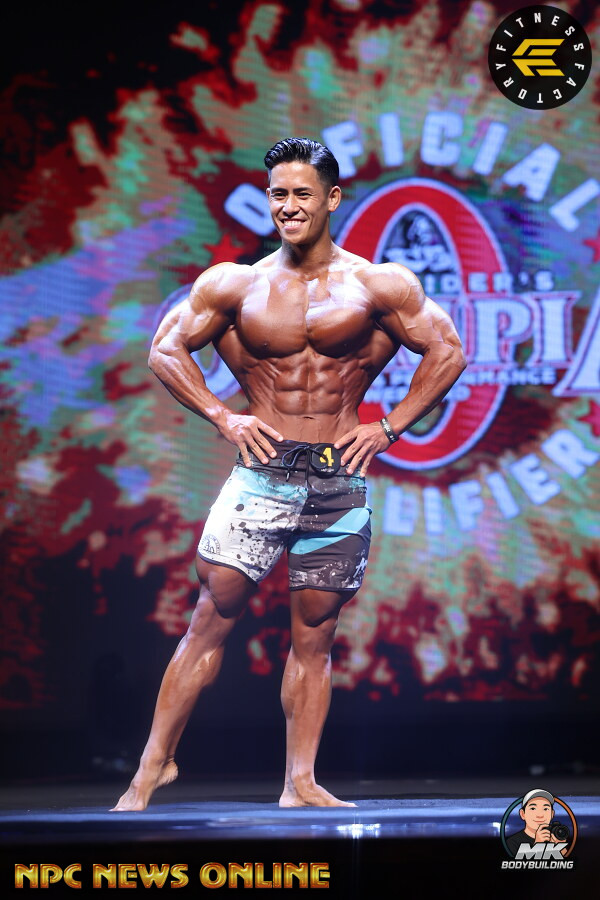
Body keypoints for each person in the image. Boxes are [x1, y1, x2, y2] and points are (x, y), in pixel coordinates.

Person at [111, 137, 466, 811]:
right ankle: (150, 771)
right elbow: (165, 349)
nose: (289, 206)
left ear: (332, 198)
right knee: (210, 618)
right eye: (279, 194)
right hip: (261, 477)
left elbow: (447, 351)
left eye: (303, 193)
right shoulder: (233, 284)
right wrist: (223, 415)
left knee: (315, 636)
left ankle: (299, 782)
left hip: (338, 482)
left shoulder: (379, 285)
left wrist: (389, 427)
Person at [505, 789, 570, 858]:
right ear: (522, 814)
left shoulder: (557, 836)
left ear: (552, 814)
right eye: (533, 808)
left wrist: (560, 847)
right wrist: (537, 845)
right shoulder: (512, 842)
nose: (540, 815)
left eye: (545, 809)